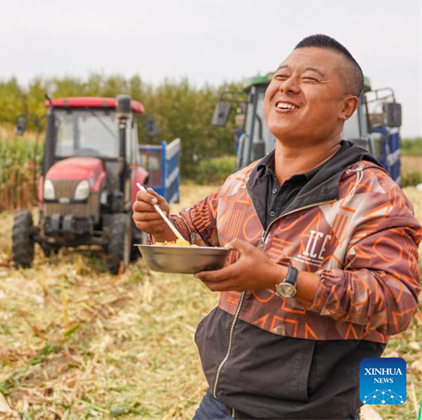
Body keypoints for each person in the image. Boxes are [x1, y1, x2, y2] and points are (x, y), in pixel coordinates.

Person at [133, 34, 422, 419]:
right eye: (281, 75)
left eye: (310, 79)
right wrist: (160, 222)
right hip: (220, 403)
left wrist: (279, 277)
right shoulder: (240, 184)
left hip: (310, 412)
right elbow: (186, 237)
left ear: (346, 107)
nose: (286, 85)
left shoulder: (372, 196)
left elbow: (396, 301)